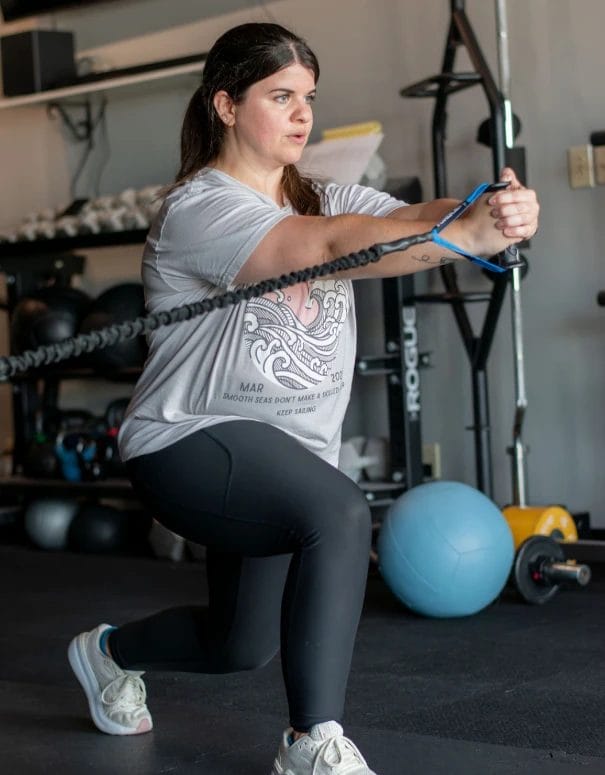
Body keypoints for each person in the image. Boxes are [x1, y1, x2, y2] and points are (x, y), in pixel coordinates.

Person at [67, 21, 539, 775]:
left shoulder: (322, 191)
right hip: (185, 441)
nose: (300, 113)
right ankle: (309, 741)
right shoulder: (200, 208)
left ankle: (106, 653)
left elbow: (414, 217)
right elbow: (321, 247)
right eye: (279, 95)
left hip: (280, 459)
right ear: (224, 105)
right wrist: (470, 238)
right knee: (339, 509)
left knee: (238, 645)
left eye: (308, 97)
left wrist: (493, 208)